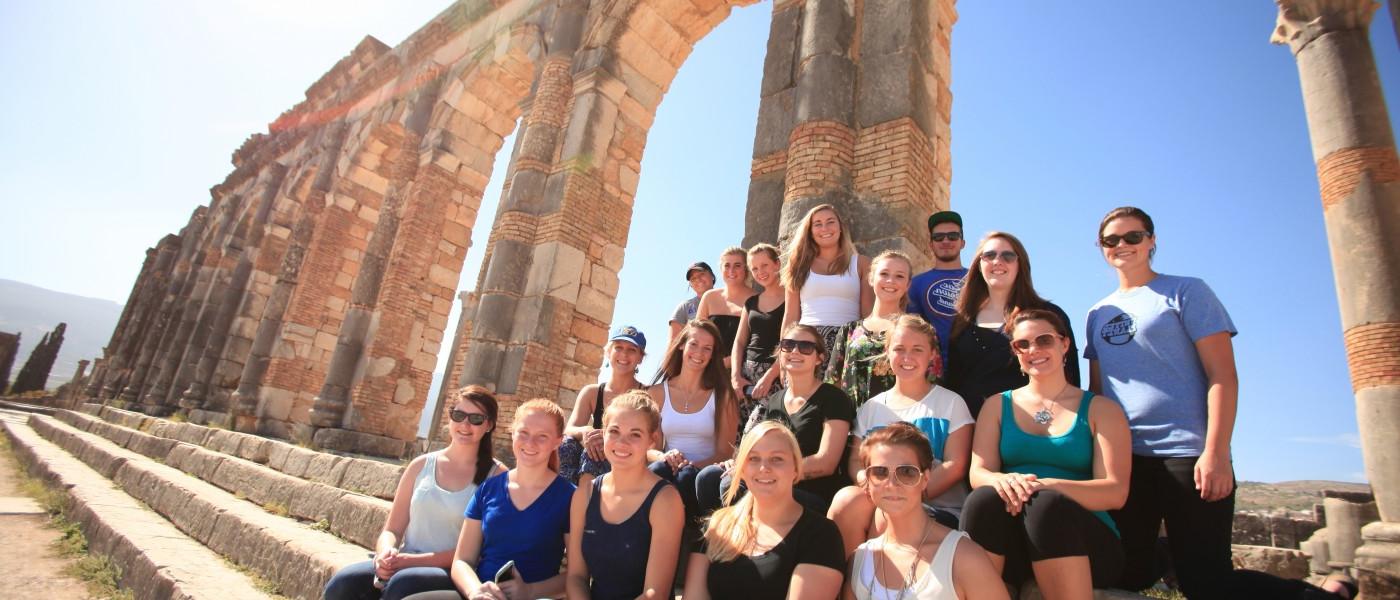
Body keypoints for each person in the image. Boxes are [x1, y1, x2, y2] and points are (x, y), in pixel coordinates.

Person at [1087, 207, 1353, 600]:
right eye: (1112, 240)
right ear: (1101, 248)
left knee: (1208, 585)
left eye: (1133, 237)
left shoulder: (1186, 291)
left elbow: (1222, 376)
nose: (1122, 246)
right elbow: (1099, 394)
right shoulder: (1097, 312)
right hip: (1128, 461)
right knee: (1127, 572)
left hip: (1187, 453)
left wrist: (1215, 453)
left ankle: (1322, 597)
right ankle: (1172, 556)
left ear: (1152, 240)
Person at [962, 309, 1131, 598]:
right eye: (1022, 345)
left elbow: (1115, 492)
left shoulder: (1102, 410)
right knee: (984, 498)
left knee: (1045, 503)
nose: (1033, 350)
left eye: (1044, 340)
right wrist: (1003, 482)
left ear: (1064, 344)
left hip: (1083, 544)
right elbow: (979, 473)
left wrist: (1044, 486)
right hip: (1017, 539)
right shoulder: (996, 406)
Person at [324, 387, 506, 600]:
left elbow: (479, 550)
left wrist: (409, 561)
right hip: (404, 561)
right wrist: (385, 553)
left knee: (403, 584)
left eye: (476, 419)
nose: (465, 425)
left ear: (489, 425)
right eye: (458, 415)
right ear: (450, 417)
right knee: (344, 583)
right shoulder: (421, 465)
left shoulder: (497, 476)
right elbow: (392, 529)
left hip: (454, 570)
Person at [828, 315, 973, 557]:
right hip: (882, 497)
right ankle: (848, 580)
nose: (907, 357)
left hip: (936, 507)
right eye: (899, 349)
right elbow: (856, 461)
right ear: (887, 352)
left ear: (932, 355)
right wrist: (869, 481)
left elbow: (955, 465)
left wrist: (902, 495)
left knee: (889, 513)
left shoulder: (951, 403)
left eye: (917, 349)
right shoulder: (871, 408)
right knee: (846, 500)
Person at [406, 400, 574, 600]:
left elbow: (577, 575)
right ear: (512, 433)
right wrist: (475, 591)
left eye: (542, 436)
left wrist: (530, 591)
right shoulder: (488, 489)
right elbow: (462, 560)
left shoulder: (570, 497)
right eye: (523, 433)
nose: (530, 443)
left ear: (558, 441)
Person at [698, 323, 854, 513]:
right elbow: (760, 448)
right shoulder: (774, 400)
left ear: (819, 358)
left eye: (805, 347)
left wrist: (765, 472)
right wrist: (741, 463)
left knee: (734, 488)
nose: (795, 351)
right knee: (709, 477)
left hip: (809, 491)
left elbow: (826, 463)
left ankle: (738, 540)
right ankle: (713, 540)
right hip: (768, 479)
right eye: (788, 345)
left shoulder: (834, 398)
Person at [682, 421, 846, 600]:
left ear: (796, 469)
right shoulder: (716, 527)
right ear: (742, 469)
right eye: (753, 458)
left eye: (777, 459)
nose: (764, 468)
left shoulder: (821, 535)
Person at [845, 423, 1007, 600]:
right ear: (867, 480)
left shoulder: (964, 558)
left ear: (925, 478)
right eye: (880, 472)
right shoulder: (859, 559)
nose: (892, 484)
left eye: (907, 472)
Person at [943, 231, 1079, 418]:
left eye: (1008, 256)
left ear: (1020, 264)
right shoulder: (962, 321)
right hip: (971, 430)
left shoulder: (1049, 316)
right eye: (989, 255)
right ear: (979, 265)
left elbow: (1071, 378)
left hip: (1032, 428)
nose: (998, 261)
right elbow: (953, 383)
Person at [564, 391, 685, 600]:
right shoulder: (584, 495)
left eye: (635, 434)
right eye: (614, 431)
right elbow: (576, 577)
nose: (622, 442)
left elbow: (655, 593)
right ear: (603, 434)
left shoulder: (666, 500)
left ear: (652, 440)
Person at [647, 320, 739, 522]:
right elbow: (648, 447)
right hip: (668, 468)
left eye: (707, 348)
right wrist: (664, 457)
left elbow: (725, 451)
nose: (699, 353)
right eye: (694, 344)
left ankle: (687, 539)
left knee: (686, 476)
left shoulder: (723, 396)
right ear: (681, 345)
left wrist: (690, 465)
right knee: (657, 471)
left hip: (703, 476)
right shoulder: (656, 393)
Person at [829, 250, 939, 412]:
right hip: (852, 427)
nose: (890, 281)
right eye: (884, 273)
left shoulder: (920, 332)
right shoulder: (849, 331)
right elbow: (832, 383)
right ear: (871, 279)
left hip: (899, 425)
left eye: (899, 276)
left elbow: (932, 381)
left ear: (908, 285)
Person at [780, 204, 872, 378]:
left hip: (847, 343)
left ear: (840, 228)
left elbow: (867, 313)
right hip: (805, 346)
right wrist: (783, 357)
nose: (825, 228)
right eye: (818, 224)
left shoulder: (862, 263)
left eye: (830, 222)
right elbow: (790, 315)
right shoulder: (798, 266)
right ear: (810, 231)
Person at [558, 326, 647, 485]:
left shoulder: (647, 394)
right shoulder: (592, 392)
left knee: (593, 452)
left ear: (640, 357)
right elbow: (569, 429)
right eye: (618, 347)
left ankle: (586, 503)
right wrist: (586, 431)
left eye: (632, 350)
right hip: (595, 454)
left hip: (626, 456)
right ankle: (564, 499)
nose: (624, 354)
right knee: (566, 446)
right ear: (608, 352)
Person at [729, 243, 786, 428]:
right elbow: (739, 341)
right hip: (746, 378)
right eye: (754, 268)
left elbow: (790, 341)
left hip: (774, 377)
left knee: (755, 431)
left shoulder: (792, 297)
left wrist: (769, 377)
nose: (760, 272)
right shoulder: (751, 302)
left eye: (764, 265)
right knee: (738, 433)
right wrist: (736, 377)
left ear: (777, 264)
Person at [907, 211, 968, 359]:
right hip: (935, 369)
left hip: (976, 367)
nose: (945, 241)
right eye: (938, 237)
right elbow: (912, 328)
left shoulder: (979, 279)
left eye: (953, 236)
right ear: (931, 244)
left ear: (963, 243)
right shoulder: (916, 284)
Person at [698, 247, 756, 371]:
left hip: (741, 373)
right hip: (707, 370)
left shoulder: (757, 300)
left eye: (737, 265)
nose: (731, 270)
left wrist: (726, 363)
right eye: (727, 265)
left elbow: (756, 343)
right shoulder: (709, 297)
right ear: (721, 269)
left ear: (746, 269)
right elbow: (696, 336)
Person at [669, 262, 715, 348]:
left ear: (712, 276)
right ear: (690, 285)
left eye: (701, 274)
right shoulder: (684, 307)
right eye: (693, 278)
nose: (698, 279)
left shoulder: (727, 301)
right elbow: (673, 344)